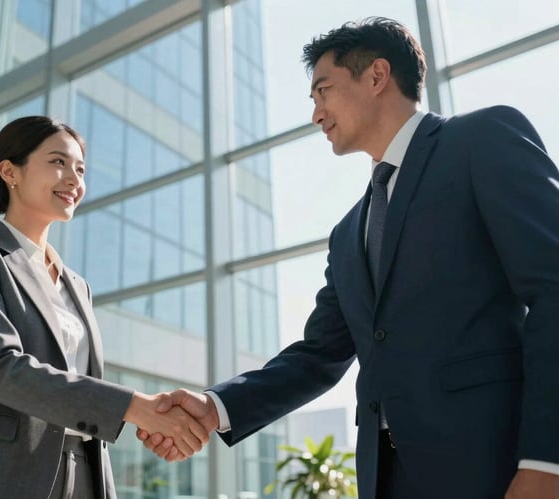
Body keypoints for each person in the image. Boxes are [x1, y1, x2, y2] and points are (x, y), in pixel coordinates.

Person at [138, 17, 559, 499]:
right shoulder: (347, 234)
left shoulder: (482, 139)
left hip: (496, 469)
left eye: (323, 91)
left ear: (377, 76)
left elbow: (554, 288)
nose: (316, 114)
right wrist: (214, 407)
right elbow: (319, 355)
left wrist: (547, 460)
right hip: (387, 479)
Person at [0, 116, 208, 499]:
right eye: (58, 162)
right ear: (10, 171)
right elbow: (1, 368)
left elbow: (78, 382)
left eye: (80, 169)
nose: (74, 179)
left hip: (83, 474)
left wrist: (148, 419)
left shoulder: (77, 286)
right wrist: (134, 407)